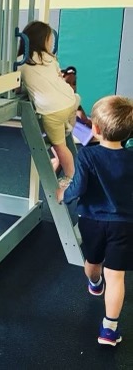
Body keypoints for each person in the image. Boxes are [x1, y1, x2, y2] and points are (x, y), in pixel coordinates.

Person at [56, 95, 133, 346]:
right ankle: (109, 330)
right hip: (123, 224)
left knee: (92, 261)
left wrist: (63, 194)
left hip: (91, 221)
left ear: (96, 129)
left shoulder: (87, 155)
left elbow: (78, 188)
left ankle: (94, 282)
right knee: (117, 278)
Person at [18, 20, 80, 188]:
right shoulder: (49, 58)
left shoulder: (21, 62)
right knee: (62, 128)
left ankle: (70, 177)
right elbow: (58, 78)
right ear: (42, 41)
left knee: (59, 146)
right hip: (70, 100)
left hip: (53, 110)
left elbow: (17, 87)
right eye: (49, 40)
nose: (51, 43)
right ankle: (67, 127)